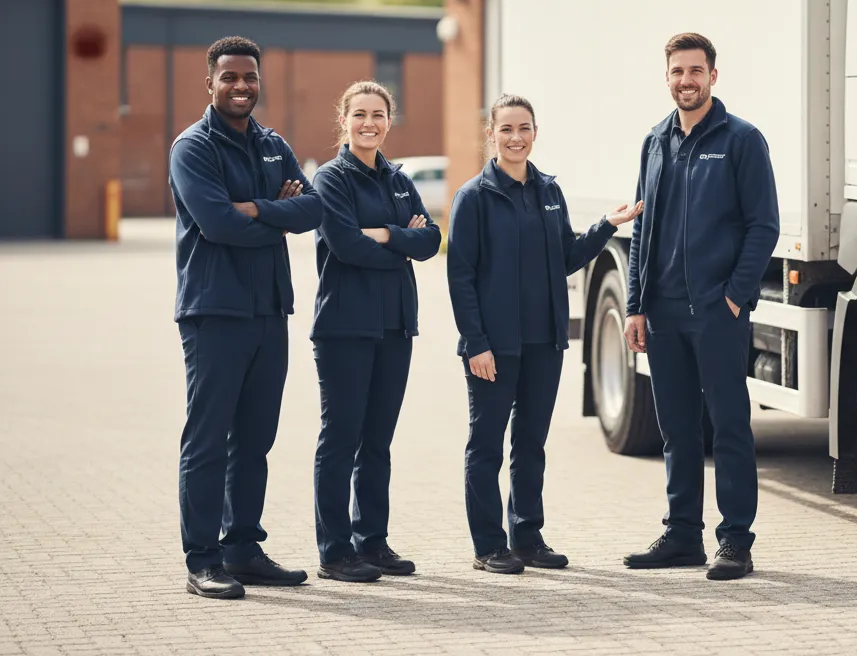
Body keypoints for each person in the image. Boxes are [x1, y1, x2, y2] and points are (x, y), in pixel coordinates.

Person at [447, 94, 643, 574]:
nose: (516, 137)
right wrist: (476, 343)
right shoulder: (473, 197)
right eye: (507, 129)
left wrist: (606, 227)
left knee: (531, 442)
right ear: (490, 134)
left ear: (535, 133)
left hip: (544, 342)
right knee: (487, 445)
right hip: (495, 346)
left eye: (525, 128)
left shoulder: (548, 191)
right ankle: (489, 545)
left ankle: (528, 538)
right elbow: (461, 276)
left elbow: (567, 256)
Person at [168, 36, 324, 599]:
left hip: (267, 311)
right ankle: (203, 559)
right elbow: (216, 224)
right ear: (209, 82)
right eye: (230, 77)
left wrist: (260, 208)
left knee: (255, 438)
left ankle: (243, 548)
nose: (241, 86)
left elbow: (311, 209)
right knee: (208, 439)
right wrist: (275, 214)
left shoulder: (271, 143)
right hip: (214, 312)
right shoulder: (193, 148)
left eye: (249, 77)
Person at [622, 33, 779, 581]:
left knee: (729, 425)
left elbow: (764, 226)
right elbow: (643, 227)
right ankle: (683, 534)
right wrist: (636, 305)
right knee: (677, 428)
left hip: (717, 313)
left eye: (695, 71)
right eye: (676, 72)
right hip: (663, 314)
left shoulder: (741, 141)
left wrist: (735, 296)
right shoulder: (655, 142)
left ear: (714, 75)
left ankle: (735, 539)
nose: (685, 80)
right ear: (666, 78)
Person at [310, 80, 441, 583]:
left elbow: (430, 239)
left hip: (394, 326)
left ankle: (373, 542)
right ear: (343, 120)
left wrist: (387, 235)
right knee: (341, 438)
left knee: (378, 442)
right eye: (359, 114)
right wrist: (400, 243)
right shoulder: (331, 179)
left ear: (390, 120)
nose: (369, 123)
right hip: (345, 326)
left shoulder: (399, 180)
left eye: (378, 115)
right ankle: (336, 550)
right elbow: (344, 246)